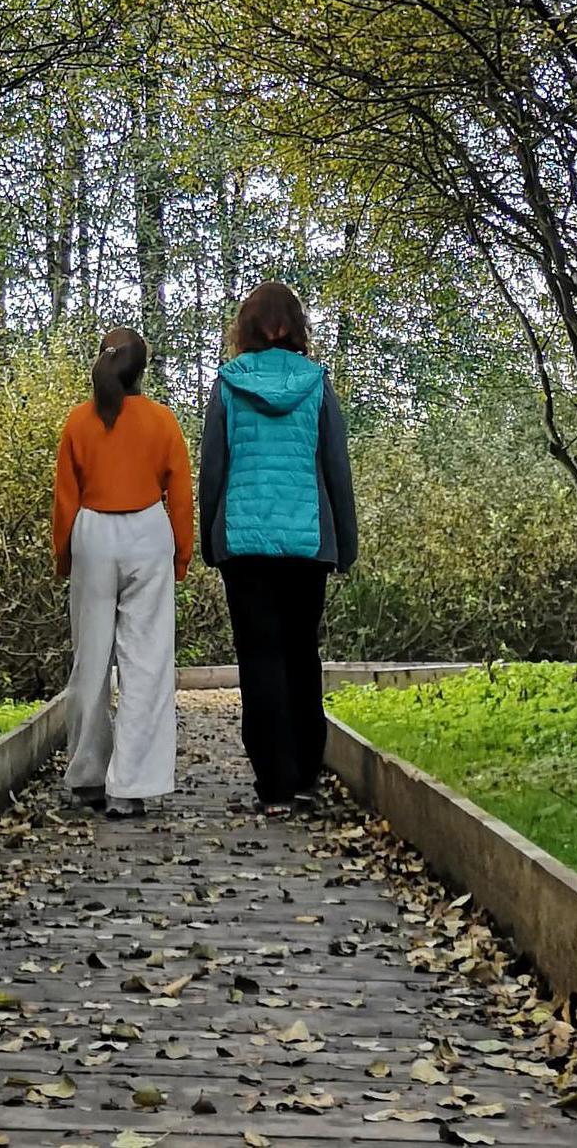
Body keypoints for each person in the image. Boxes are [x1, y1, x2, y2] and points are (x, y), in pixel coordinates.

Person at [198, 282, 358, 815]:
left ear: (245, 329)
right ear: (295, 326)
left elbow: (214, 470)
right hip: (307, 542)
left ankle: (273, 784)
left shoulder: (227, 384)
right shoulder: (316, 383)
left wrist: (208, 536)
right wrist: (346, 543)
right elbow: (336, 466)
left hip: (243, 544)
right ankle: (307, 775)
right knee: (300, 652)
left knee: (259, 657)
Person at [52, 326, 194, 817]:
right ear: (142, 371)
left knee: (90, 658)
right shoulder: (162, 421)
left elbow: (65, 498)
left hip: (92, 533)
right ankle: (130, 785)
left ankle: (87, 773)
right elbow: (179, 494)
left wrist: (63, 555)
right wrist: (181, 554)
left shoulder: (78, 422)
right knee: (147, 663)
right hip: (148, 533)